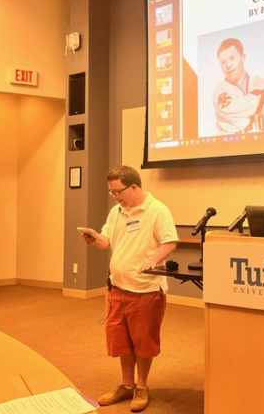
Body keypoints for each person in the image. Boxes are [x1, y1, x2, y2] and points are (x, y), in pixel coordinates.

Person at [80, 165, 178, 412]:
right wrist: (94, 239)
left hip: (145, 289)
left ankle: (142, 387)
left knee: (143, 341)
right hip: (117, 289)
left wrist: (152, 260)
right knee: (121, 340)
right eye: (112, 192)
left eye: (118, 191)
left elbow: (170, 241)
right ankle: (126, 385)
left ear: (134, 186)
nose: (115, 196)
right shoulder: (116, 212)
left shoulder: (157, 210)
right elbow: (107, 242)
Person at [213, 37, 264, 135]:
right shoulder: (219, 92)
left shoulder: (258, 82)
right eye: (223, 62)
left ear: (243, 57)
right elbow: (239, 113)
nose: (228, 65)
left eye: (232, 58)